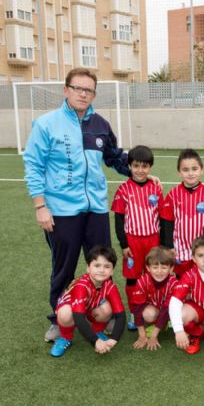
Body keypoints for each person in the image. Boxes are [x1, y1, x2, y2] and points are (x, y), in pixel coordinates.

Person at [23, 68, 131, 343]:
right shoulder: (46, 124)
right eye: (78, 88)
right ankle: (60, 320)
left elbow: (114, 157)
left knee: (102, 264)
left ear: (94, 94)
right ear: (66, 90)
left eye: (88, 90)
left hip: (95, 208)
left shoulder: (100, 125)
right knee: (64, 266)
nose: (83, 94)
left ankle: (100, 315)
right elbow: (33, 166)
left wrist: (138, 173)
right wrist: (40, 206)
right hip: (61, 211)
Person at [111, 145, 163, 331]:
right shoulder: (124, 190)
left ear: (150, 167)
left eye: (144, 166)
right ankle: (135, 311)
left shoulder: (155, 188)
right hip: (132, 241)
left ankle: (154, 308)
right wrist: (124, 244)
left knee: (155, 275)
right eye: (136, 166)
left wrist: (163, 244)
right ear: (130, 166)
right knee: (133, 278)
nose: (140, 170)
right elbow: (118, 219)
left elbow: (162, 216)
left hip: (153, 239)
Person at [49, 245, 126, 357]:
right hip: (71, 309)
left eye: (107, 266)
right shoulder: (81, 286)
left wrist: (114, 339)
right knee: (66, 314)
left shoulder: (110, 286)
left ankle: (97, 331)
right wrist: (95, 341)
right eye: (97, 265)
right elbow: (78, 317)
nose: (101, 270)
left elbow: (121, 315)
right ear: (88, 268)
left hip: (88, 306)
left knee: (108, 308)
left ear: (112, 271)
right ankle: (65, 338)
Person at [160, 149, 204, 277]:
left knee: (202, 278)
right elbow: (167, 222)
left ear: (201, 170)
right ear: (179, 172)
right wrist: (169, 246)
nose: (190, 173)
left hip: (201, 249)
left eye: (194, 169)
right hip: (179, 248)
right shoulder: (172, 195)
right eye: (186, 170)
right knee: (181, 280)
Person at [131, 246, 178, 351]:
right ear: (148, 268)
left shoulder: (174, 283)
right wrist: (142, 335)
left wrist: (153, 336)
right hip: (155, 309)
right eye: (155, 267)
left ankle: (176, 327)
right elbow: (137, 308)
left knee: (182, 312)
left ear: (171, 268)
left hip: (171, 311)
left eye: (164, 267)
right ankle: (160, 324)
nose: (159, 271)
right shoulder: (142, 281)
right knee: (148, 314)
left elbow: (166, 310)